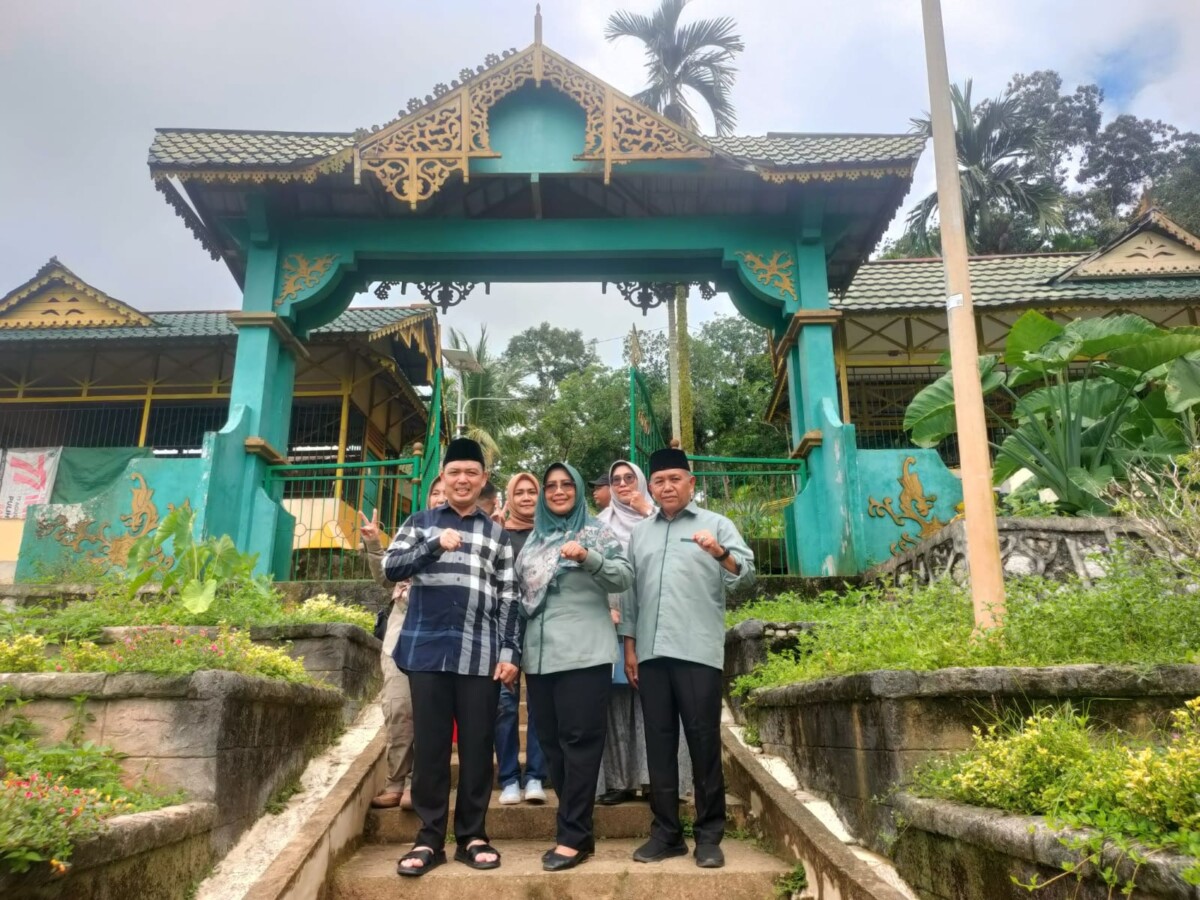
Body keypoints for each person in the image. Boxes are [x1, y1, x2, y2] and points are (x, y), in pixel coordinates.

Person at [385, 438, 522, 877]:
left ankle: (472, 835)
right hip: (425, 650)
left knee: (479, 747)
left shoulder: (497, 535)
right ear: (442, 478)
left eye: (471, 473)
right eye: (454, 472)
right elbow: (391, 567)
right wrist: (433, 547)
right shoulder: (420, 522)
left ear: (483, 481)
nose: (462, 480)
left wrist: (509, 652)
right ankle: (428, 839)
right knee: (430, 747)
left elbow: (509, 597)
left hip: (480, 654)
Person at [620, 447, 755, 870]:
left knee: (702, 744)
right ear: (651, 487)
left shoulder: (716, 524)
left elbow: (746, 577)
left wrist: (719, 552)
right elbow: (628, 593)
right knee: (658, 746)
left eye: (675, 479)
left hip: (697, 651)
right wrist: (629, 647)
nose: (667, 487)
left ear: (691, 483)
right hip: (652, 653)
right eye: (659, 481)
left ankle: (709, 835)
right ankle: (666, 834)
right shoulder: (640, 533)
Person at [517, 463, 633, 871]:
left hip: (585, 652)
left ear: (579, 489)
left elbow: (622, 577)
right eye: (551, 485)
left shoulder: (596, 532)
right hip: (540, 655)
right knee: (551, 744)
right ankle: (576, 829)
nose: (559, 490)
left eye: (567, 484)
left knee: (580, 742)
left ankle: (572, 836)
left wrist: (587, 556)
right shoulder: (534, 539)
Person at [594, 460, 692, 806]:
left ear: (641, 482)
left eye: (628, 478)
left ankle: (660, 780)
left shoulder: (658, 519)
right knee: (615, 703)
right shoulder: (599, 525)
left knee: (656, 699)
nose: (622, 484)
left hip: (657, 618)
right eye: (615, 479)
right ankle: (621, 780)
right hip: (610, 620)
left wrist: (647, 508)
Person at [359, 476, 447, 812]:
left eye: (445, 492)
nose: (440, 497)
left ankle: (416, 783)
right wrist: (373, 545)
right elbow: (387, 576)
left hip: (438, 632)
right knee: (397, 708)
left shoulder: (463, 535)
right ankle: (395, 780)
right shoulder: (413, 532)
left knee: (428, 712)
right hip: (401, 627)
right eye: (434, 492)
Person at [494, 472, 548, 805]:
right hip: (504, 629)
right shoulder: (498, 535)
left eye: (532, 492)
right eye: (520, 492)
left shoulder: (549, 534)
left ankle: (536, 777)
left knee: (541, 705)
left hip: (544, 628)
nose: (527, 497)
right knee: (503, 705)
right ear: (510, 496)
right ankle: (510, 777)